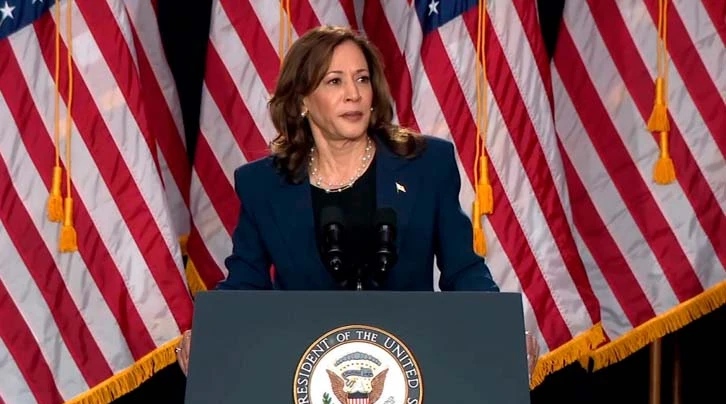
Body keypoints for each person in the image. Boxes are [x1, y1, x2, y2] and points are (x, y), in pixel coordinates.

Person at [176, 25, 507, 375]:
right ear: (302, 100)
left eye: (362, 79)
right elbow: (245, 284)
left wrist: (502, 328)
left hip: (414, 367)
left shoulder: (425, 165)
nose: (354, 94)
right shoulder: (265, 185)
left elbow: (464, 271)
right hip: (304, 372)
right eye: (334, 81)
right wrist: (209, 331)